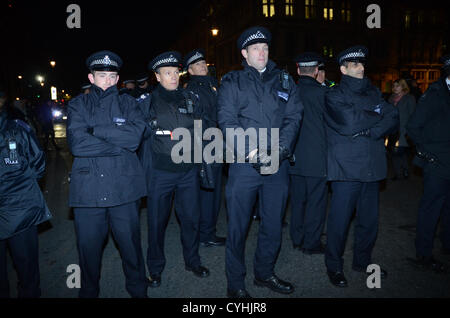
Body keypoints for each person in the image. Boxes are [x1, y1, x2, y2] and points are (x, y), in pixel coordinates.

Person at [217, 26, 302, 298]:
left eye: (265, 47)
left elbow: (294, 117)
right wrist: (252, 153)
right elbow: (227, 121)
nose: (261, 52)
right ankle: (236, 284)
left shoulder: (285, 81)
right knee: (238, 227)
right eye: (255, 48)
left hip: (277, 163)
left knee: (273, 224)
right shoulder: (232, 82)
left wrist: (280, 149)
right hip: (244, 165)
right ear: (245, 53)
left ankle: (264, 273)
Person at [67, 50, 148, 298]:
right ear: (91, 78)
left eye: (112, 76)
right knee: (88, 254)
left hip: (124, 189)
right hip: (88, 193)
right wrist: (116, 140)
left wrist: (94, 130)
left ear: (118, 78)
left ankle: (139, 292)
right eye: (101, 76)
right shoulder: (77, 104)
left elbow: (134, 139)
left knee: (131, 251)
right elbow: (78, 145)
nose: (107, 81)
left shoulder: (129, 103)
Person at [324, 45, 398, 287]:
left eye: (362, 63)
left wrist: (369, 129)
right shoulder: (335, 94)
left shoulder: (374, 92)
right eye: (355, 64)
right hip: (346, 168)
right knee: (340, 221)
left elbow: (392, 116)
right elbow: (347, 123)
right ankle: (334, 266)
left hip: (372, 165)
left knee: (369, 220)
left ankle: (362, 261)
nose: (361, 67)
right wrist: (374, 115)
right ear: (343, 69)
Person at [138, 51, 210, 288]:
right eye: (166, 73)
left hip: (188, 172)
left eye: (174, 72)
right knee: (157, 223)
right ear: (157, 77)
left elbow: (200, 129)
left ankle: (193, 261)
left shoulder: (190, 98)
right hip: (160, 173)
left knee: (191, 219)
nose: (172, 77)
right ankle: (155, 268)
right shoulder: (147, 102)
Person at [0, 89, 52, 298]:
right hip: (19, 206)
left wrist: (15, 187)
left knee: (27, 271)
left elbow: (38, 164)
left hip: (19, 212)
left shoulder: (18, 130)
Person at [406, 54, 450, 271]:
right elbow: (413, 127)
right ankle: (423, 253)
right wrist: (427, 154)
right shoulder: (434, 94)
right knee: (431, 209)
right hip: (437, 163)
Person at [184, 48, 226, 248]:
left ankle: (207, 230)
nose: (203, 66)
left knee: (214, 189)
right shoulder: (193, 90)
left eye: (203, 63)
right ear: (190, 71)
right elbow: (198, 120)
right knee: (207, 191)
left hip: (215, 144)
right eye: (198, 65)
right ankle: (205, 233)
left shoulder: (212, 86)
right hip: (206, 145)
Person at [289, 52, 328, 255]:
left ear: (298, 70)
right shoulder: (323, 94)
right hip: (316, 157)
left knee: (297, 201)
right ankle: (311, 243)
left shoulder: (290, 92)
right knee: (316, 201)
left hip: (294, 156)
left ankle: (297, 238)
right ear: (315, 71)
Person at [388, 79, 416, 180]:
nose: (395, 88)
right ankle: (399, 172)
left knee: (399, 151)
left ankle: (403, 170)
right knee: (394, 151)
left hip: (403, 130)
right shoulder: (391, 99)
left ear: (403, 86)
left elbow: (413, 115)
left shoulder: (409, 98)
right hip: (392, 130)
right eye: (394, 86)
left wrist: (411, 130)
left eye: (398, 86)